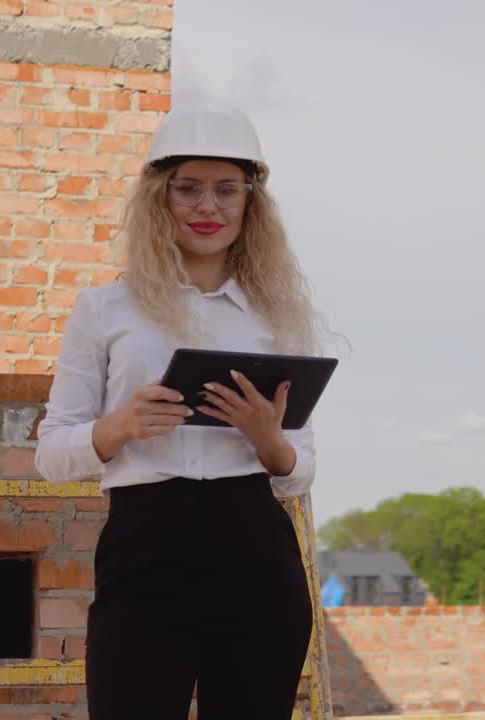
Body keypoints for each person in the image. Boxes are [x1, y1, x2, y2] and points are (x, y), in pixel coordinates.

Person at [34, 103, 321, 720]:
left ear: (252, 202)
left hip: (255, 548)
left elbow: (299, 472)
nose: (207, 207)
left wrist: (268, 439)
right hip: (145, 544)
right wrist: (120, 427)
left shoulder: (277, 317)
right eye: (187, 189)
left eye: (226, 190)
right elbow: (52, 455)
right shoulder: (106, 308)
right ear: (159, 198)